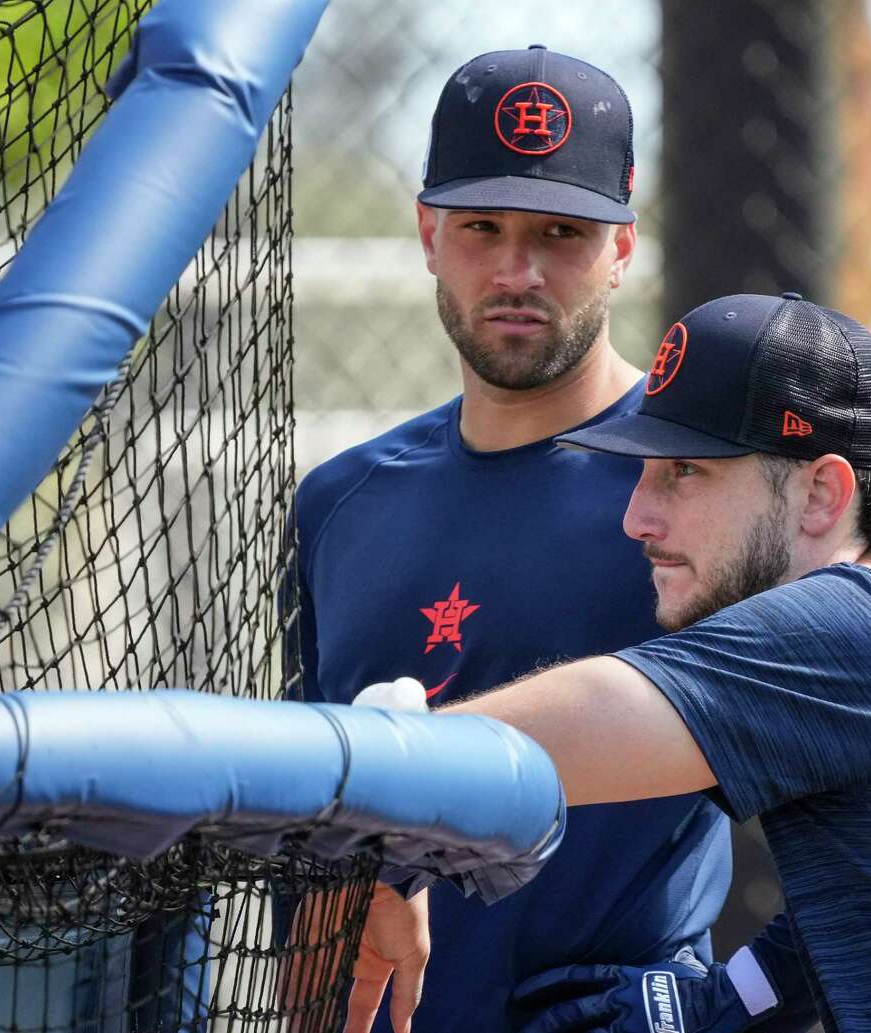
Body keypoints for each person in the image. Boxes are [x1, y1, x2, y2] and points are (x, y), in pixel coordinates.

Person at [294, 46, 816, 1033]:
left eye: (562, 234)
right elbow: (314, 828)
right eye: (483, 227)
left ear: (622, 247)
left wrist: (718, 1008)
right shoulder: (341, 501)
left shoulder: (712, 494)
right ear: (427, 232)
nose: (517, 270)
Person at [348, 292, 871, 1033]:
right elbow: (862, 914)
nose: (637, 517)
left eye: (686, 472)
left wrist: (383, 790)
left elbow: (528, 740)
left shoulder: (855, 630)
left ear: (822, 495)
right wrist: (707, 1005)